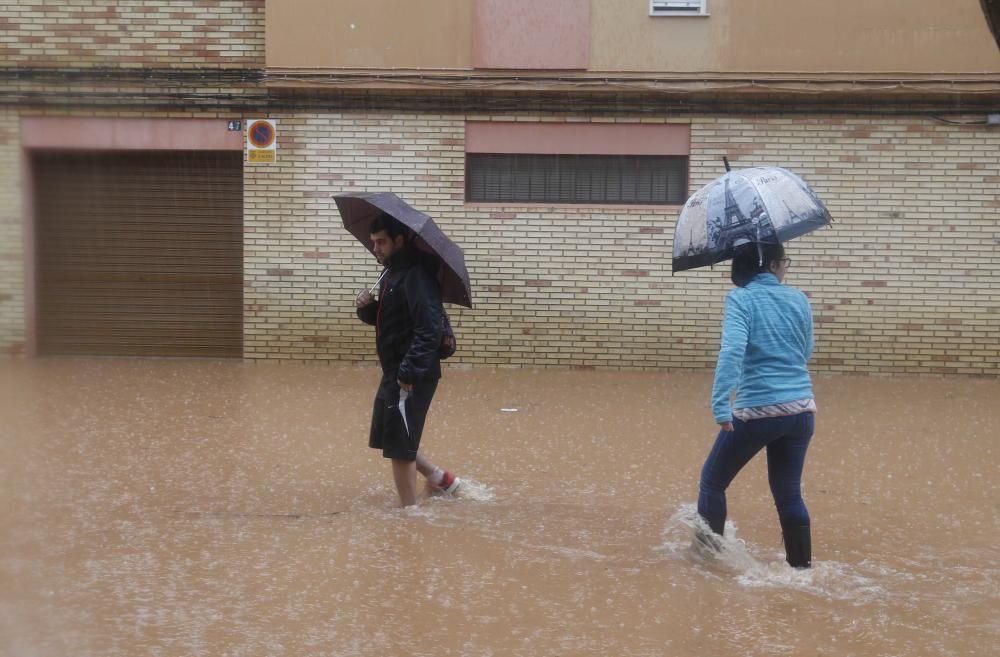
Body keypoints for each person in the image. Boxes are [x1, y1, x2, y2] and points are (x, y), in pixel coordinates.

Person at [696, 240, 816, 568]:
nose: (785, 268)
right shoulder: (798, 299)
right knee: (789, 494)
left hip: (758, 411)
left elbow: (733, 350)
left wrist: (721, 404)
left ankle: (706, 561)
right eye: (785, 261)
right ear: (774, 264)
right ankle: (801, 570)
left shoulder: (741, 298)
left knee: (712, 482)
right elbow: (805, 352)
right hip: (802, 410)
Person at [355, 211, 461, 507]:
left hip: (411, 374)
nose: (375, 249)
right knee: (391, 438)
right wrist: (367, 308)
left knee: (400, 447)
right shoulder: (392, 273)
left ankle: (409, 516)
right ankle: (441, 480)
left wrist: (408, 373)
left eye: (381, 243)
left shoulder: (416, 276)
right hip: (397, 371)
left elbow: (428, 329)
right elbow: (393, 322)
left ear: (399, 241)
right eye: (373, 243)